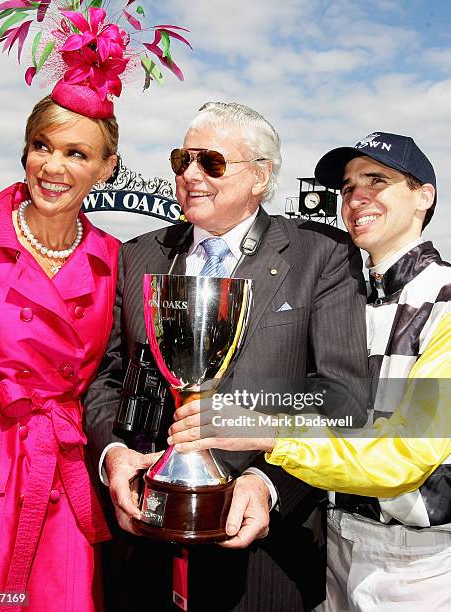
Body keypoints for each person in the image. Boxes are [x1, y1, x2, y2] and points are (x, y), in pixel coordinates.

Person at [84, 101, 369, 611]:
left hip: (266, 548)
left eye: (210, 162)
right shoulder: (139, 255)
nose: (190, 174)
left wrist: (268, 480)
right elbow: (109, 378)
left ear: (260, 176)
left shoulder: (320, 256)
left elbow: (342, 396)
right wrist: (114, 456)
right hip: (145, 539)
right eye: (182, 159)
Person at [169, 132, 451, 611]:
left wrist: (262, 429)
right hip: (334, 548)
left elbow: (406, 455)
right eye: (347, 187)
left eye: (376, 181)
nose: (356, 197)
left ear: (424, 196)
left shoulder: (445, 299)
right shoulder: (349, 297)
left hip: (418, 566)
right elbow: (331, 405)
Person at [0, 2, 190, 610]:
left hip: (68, 475)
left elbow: (129, 372)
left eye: (76, 153)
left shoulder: (117, 261)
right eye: (43, 146)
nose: (54, 166)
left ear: (105, 167)